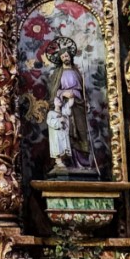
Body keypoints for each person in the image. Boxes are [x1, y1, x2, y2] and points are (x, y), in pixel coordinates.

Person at [47, 41, 96, 173]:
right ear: (60, 59)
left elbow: (83, 90)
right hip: (65, 106)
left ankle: (83, 163)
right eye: (63, 56)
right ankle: (69, 161)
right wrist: (63, 94)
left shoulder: (77, 72)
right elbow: (54, 92)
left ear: (70, 57)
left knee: (81, 131)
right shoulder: (58, 73)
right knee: (68, 131)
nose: (65, 58)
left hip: (78, 105)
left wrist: (86, 102)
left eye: (67, 55)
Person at [47, 96, 72, 172]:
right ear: (54, 102)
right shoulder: (51, 113)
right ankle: (58, 161)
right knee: (57, 147)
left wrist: (65, 121)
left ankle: (63, 160)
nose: (59, 101)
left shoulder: (63, 112)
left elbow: (67, 121)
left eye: (60, 100)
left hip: (63, 133)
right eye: (57, 100)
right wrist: (59, 120)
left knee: (64, 147)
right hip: (56, 135)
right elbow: (49, 122)